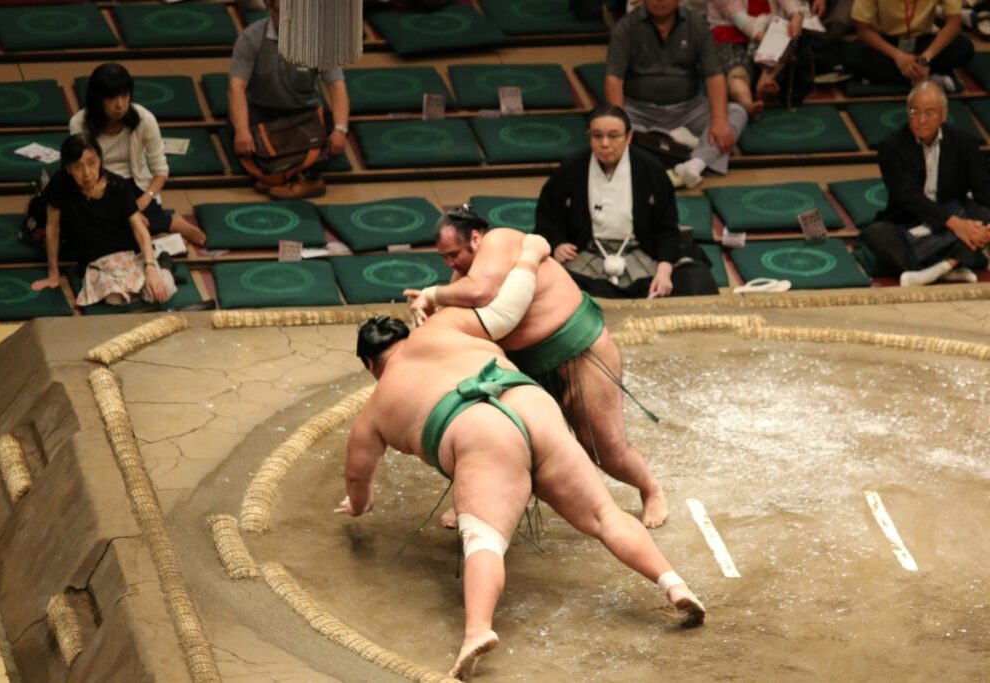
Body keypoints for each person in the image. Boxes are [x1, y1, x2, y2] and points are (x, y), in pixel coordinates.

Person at [341, 247, 705, 679]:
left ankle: (477, 631)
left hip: (478, 432)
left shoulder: (374, 412)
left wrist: (356, 505)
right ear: (405, 335)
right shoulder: (444, 323)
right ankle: (674, 584)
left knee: (484, 541)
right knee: (606, 515)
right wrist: (530, 258)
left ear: (370, 364)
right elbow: (505, 311)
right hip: (528, 399)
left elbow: (359, 482)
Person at [407, 207, 670, 528]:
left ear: (475, 239)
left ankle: (651, 489)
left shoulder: (500, 241)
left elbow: (481, 292)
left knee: (605, 450)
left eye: (453, 254)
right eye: (444, 258)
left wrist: (430, 294)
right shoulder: (461, 279)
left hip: (579, 351)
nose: (450, 263)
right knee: (489, 437)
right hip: (524, 368)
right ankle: (473, 500)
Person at [534, 104, 687, 299]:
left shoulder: (651, 169)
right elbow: (548, 217)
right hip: (586, 253)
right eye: (597, 136)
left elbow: (667, 227)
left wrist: (665, 270)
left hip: (638, 251)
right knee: (550, 284)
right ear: (589, 136)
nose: (605, 143)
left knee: (683, 279)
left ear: (628, 137)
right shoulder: (571, 168)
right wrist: (557, 244)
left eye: (613, 136)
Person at [605, 0, 748, 189]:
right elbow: (614, 79)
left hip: (689, 110)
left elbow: (714, 75)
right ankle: (680, 143)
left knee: (737, 112)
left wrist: (720, 119)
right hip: (639, 111)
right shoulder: (626, 26)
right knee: (605, 129)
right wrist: (620, 122)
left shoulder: (696, 23)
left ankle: (694, 164)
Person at [861, 80, 990, 286]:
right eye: (915, 111)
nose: (921, 120)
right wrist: (956, 225)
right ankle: (952, 265)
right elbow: (908, 197)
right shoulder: (891, 146)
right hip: (909, 221)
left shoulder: (965, 143)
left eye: (930, 113)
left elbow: (983, 190)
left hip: (954, 215)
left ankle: (938, 269)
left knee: (983, 217)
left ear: (943, 114)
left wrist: (982, 227)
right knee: (875, 235)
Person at [70, 63, 206, 247]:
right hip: (97, 182)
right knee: (98, 227)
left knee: (132, 221)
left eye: (124, 95)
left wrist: (145, 198)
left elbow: (160, 169)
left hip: (134, 183)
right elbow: (83, 169)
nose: (120, 104)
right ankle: (163, 227)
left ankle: (171, 225)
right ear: (98, 99)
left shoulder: (144, 119)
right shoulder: (79, 123)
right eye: (111, 98)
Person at [31, 134, 175, 307]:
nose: (86, 173)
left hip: (127, 253)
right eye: (77, 167)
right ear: (68, 169)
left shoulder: (119, 186)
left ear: (100, 160)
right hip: (95, 260)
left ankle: (164, 265)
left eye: (92, 163)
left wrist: (150, 268)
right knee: (113, 298)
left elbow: (140, 230)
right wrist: (53, 273)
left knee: (159, 292)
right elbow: (52, 228)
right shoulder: (60, 185)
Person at [229, 0, 350, 200]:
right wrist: (242, 130)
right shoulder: (251, 37)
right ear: (271, 10)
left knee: (333, 128)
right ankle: (282, 176)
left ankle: (304, 179)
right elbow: (236, 86)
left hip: (304, 111)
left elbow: (336, 86)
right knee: (235, 127)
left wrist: (341, 129)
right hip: (262, 110)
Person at [707, 0, 813, 112]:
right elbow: (739, 18)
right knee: (737, 73)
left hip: (767, 27)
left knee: (788, 42)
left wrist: (796, 14)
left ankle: (765, 80)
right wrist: (766, 39)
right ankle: (747, 103)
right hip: (730, 33)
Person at [841, 0, 973, 88]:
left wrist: (926, 59)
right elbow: (863, 31)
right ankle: (928, 78)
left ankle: (889, 78)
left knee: (964, 48)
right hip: (887, 44)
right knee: (848, 54)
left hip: (923, 43)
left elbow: (954, 24)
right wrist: (897, 56)